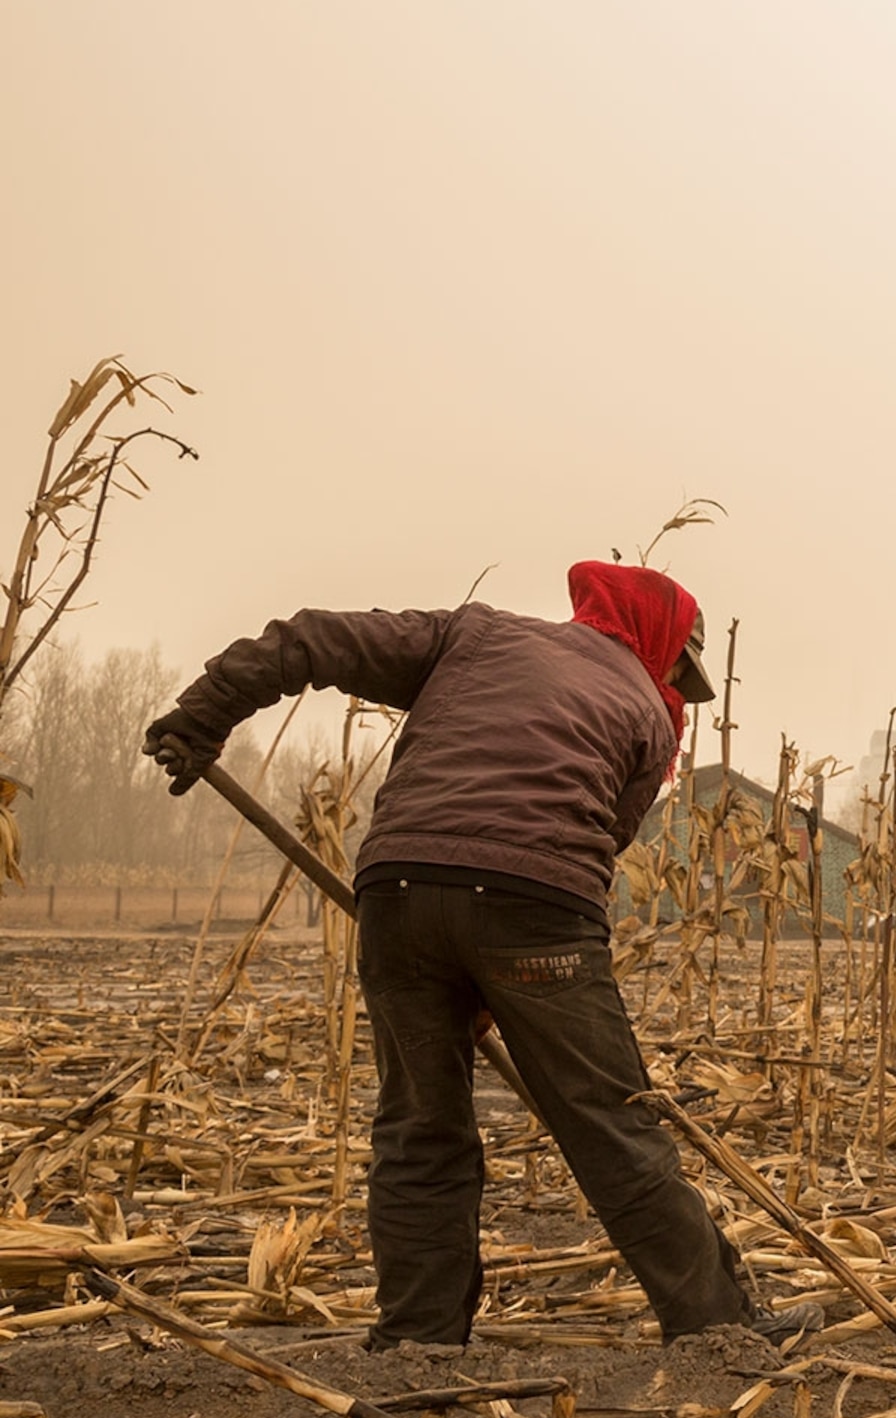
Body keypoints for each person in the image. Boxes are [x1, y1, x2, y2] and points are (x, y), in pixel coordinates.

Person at [144, 563, 786, 1352]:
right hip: (537, 904)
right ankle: (719, 1327)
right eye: (679, 666)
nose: (677, 684)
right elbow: (602, 845)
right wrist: (505, 972)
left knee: (419, 1127)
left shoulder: (474, 636)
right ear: (662, 640)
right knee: (612, 1125)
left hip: (399, 893)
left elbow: (308, 638)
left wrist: (203, 715)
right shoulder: (650, 713)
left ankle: (418, 1339)